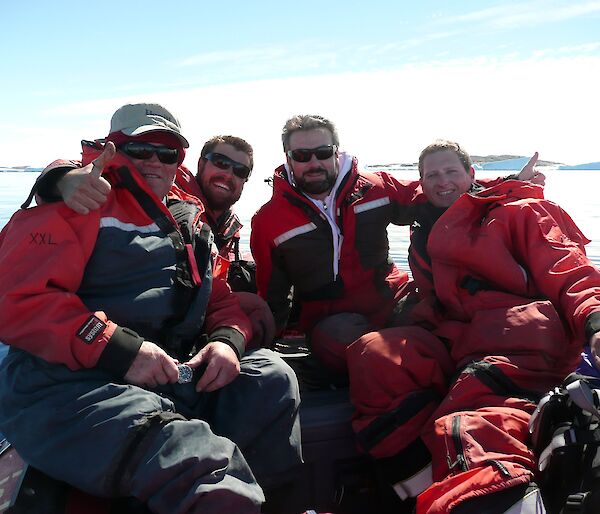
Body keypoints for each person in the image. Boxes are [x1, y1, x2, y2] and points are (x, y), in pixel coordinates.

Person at [0, 103, 301, 514]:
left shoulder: (188, 220)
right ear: (113, 149)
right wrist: (120, 349)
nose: (154, 162)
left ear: (180, 161)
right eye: (140, 150)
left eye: (167, 153)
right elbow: (17, 303)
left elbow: (220, 299)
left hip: (168, 372)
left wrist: (228, 341)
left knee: (272, 377)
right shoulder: (71, 208)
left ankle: (273, 504)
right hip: (71, 384)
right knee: (193, 456)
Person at [345, 140, 600, 513]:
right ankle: (421, 485)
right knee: (374, 354)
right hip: (457, 338)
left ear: (471, 174)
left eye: (451, 172)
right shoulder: (426, 233)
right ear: (421, 183)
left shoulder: (521, 211)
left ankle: (491, 494)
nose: (442, 181)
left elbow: (570, 272)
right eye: (432, 174)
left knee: (474, 419)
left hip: (518, 345)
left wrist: (595, 323)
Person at [250, 115, 540, 376]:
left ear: (336, 153)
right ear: (288, 159)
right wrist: (261, 343)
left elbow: (440, 191)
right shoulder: (269, 221)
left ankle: (483, 375)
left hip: (393, 300)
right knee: (345, 345)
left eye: (323, 153)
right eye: (302, 155)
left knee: (446, 323)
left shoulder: (374, 188)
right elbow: (271, 292)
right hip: (332, 320)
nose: (314, 163)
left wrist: (511, 183)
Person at [27, 133, 275, 348]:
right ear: (200, 163)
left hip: (197, 296)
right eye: (221, 162)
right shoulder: (169, 183)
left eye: (239, 171)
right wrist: (61, 177)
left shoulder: (227, 224)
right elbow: (101, 162)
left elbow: (218, 279)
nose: (228, 174)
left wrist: (226, 342)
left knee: (253, 308)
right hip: (135, 320)